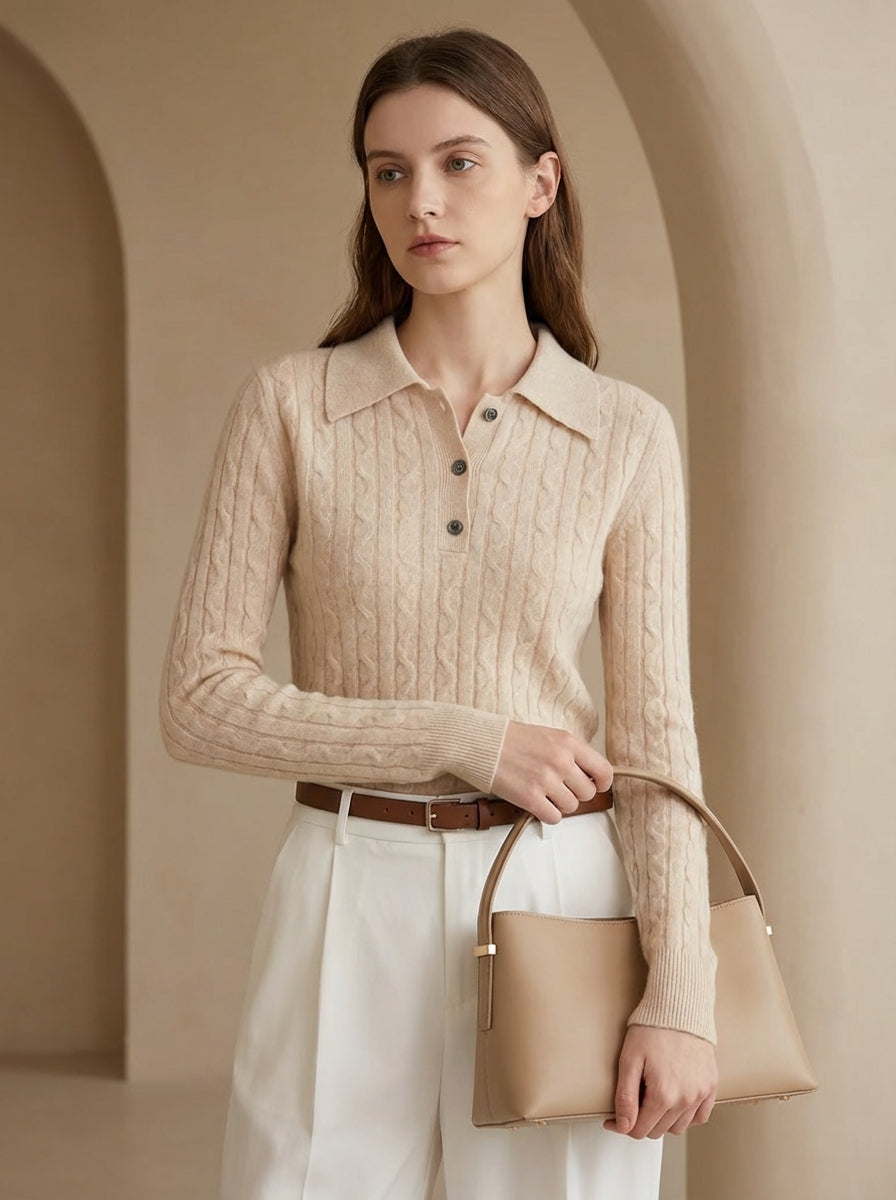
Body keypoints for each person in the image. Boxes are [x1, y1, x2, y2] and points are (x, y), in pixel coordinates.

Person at [159, 26, 718, 1200]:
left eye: (460, 163)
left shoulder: (623, 434)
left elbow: (657, 740)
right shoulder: (291, 408)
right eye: (388, 170)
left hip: (557, 896)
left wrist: (682, 990)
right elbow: (199, 703)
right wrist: (458, 737)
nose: (422, 201)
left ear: (539, 183)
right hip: (341, 888)